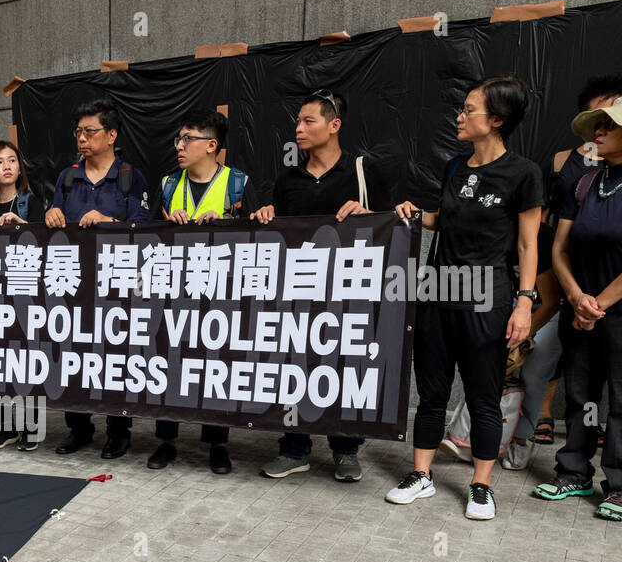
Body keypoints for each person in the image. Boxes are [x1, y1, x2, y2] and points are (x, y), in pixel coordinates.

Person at [389, 75, 543, 520]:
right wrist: (418, 215)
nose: (460, 116)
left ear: (496, 120)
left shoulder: (524, 173)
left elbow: (528, 244)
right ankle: (421, 475)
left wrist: (524, 301)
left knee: (482, 394)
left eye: (468, 110)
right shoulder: (456, 167)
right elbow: (446, 219)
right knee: (432, 390)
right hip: (439, 290)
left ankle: (481, 485)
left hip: (487, 294)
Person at [249, 91, 377, 481]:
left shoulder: (363, 171)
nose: (298, 129)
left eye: (308, 122)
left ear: (334, 125)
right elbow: (279, 230)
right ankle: (293, 448)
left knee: (346, 365)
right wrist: (267, 213)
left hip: (349, 290)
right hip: (298, 292)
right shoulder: (288, 178)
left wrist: (369, 214)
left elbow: (391, 227)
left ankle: (346, 449)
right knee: (295, 365)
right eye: (297, 122)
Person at [539, 91, 622, 521]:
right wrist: (578, 297)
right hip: (581, 308)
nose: (599, 131)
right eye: (598, 124)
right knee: (581, 394)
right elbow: (559, 248)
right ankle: (574, 470)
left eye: (610, 125)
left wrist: (599, 301)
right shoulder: (584, 182)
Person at [147, 107, 257, 475]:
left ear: (211, 145)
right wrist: (168, 226)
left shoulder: (238, 183)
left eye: (188, 139)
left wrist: (227, 225)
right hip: (173, 290)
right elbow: (146, 239)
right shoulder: (167, 184)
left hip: (220, 291)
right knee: (169, 361)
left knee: (216, 365)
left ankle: (218, 443)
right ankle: (166, 439)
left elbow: (257, 237)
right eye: (179, 139)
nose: (179, 146)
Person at [45, 98, 151, 458]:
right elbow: (54, 213)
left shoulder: (129, 177)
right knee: (73, 357)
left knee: (114, 360)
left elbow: (147, 229)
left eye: (90, 132)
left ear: (111, 135)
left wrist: (111, 223)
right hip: (73, 285)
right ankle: (79, 428)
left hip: (116, 288)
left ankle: (118, 431)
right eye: (79, 132)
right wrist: (53, 212)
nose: (82, 139)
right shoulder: (68, 175)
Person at [0, 139, 46, 451]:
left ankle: (32, 425)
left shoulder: (32, 202)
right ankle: (5, 426)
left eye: (12, 160)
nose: (6, 166)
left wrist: (25, 225)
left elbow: (49, 244)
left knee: (28, 361)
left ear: (20, 168)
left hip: (28, 295)